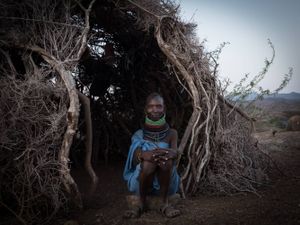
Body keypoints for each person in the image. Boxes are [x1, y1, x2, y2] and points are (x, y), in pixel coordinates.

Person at [123, 92, 181, 218]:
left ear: (164, 108)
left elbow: (175, 153)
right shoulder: (139, 134)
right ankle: (142, 203)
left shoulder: (172, 133)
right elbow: (134, 158)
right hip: (142, 179)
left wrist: (171, 153)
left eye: (158, 106)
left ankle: (164, 203)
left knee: (166, 161)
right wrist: (144, 155)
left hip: (166, 180)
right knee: (149, 163)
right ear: (146, 109)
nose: (155, 109)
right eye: (151, 106)